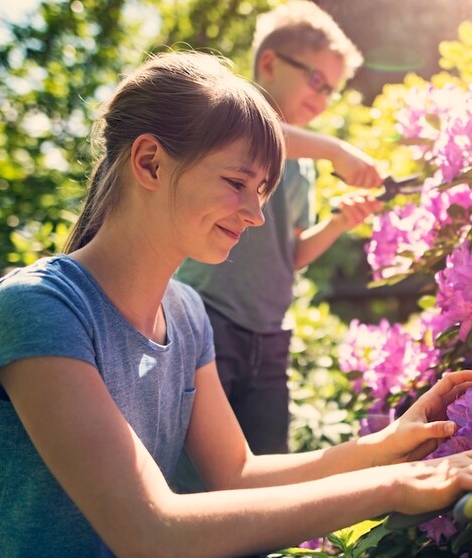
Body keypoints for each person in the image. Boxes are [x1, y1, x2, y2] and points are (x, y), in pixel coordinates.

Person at [0, 51, 472, 558]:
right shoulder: (39, 308)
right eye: (237, 183)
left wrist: (384, 448)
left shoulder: (185, 315)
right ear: (150, 162)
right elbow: (150, 531)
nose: (256, 212)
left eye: (262, 191)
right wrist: (396, 485)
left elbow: (237, 474)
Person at [172, 1, 381, 459]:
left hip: (268, 338)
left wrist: (339, 222)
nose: (323, 99)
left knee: (266, 464)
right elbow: (262, 133)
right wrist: (337, 151)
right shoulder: (230, 121)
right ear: (269, 64)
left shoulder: (301, 166)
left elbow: (295, 254)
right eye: (316, 80)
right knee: (199, 471)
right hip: (212, 321)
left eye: (332, 89)